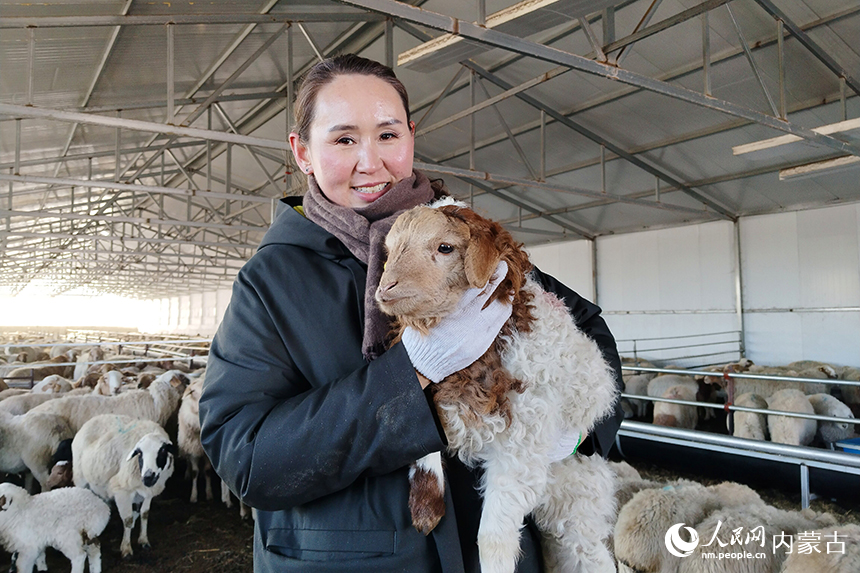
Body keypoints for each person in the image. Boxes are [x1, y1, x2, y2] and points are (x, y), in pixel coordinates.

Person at [200, 53, 624, 573]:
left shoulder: (459, 234)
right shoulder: (273, 282)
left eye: (387, 134)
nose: (370, 162)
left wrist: (578, 428)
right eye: (343, 139)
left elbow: (587, 327)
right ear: (302, 152)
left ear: (411, 136)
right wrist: (410, 375)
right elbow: (248, 458)